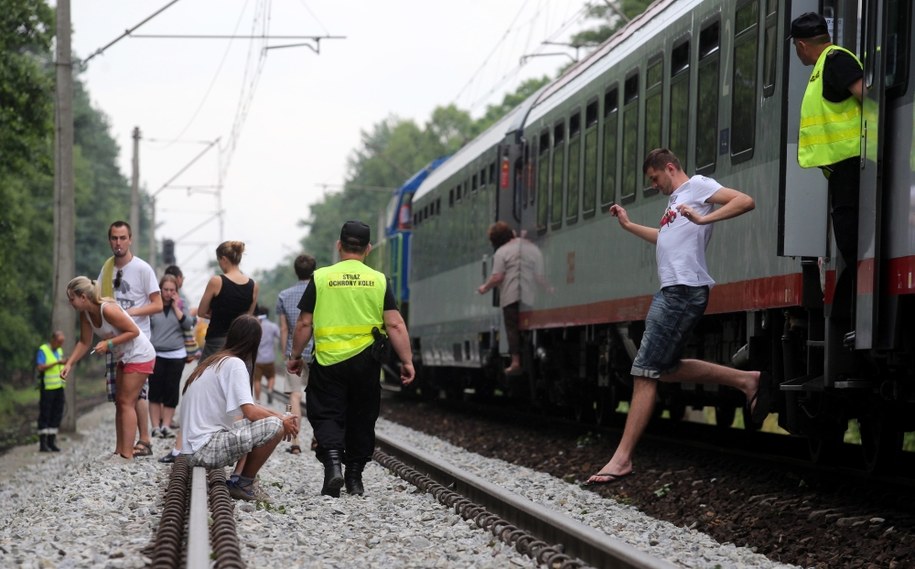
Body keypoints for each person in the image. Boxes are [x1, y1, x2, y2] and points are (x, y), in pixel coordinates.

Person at [585, 149, 769, 485]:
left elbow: (745, 200)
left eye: (655, 179)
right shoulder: (676, 201)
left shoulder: (697, 186)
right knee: (664, 369)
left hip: (683, 290)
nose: (654, 186)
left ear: (669, 168)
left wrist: (704, 219)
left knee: (644, 371)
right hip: (674, 290)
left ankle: (622, 458)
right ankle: (747, 381)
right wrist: (629, 226)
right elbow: (666, 238)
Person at [286, 221, 415, 497]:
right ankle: (354, 477)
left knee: (326, 413)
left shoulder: (321, 278)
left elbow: (304, 323)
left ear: (339, 246)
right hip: (366, 362)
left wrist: (295, 355)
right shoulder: (379, 280)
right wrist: (407, 361)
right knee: (362, 416)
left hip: (329, 361)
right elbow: (394, 324)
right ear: (368, 248)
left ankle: (333, 465)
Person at [791, 12, 863, 326]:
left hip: (853, 166)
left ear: (802, 44)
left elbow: (868, 97)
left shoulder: (835, 60)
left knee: (851, 239)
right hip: (842, 169)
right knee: (848, 239)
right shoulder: (825, 67)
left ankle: (859, 308)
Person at [179, 315, 298, 502]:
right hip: (204, 449)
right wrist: (281, 420)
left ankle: (237, 478)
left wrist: (281, 415)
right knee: (275, 426)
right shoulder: (235, 364)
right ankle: (243, 484)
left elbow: (249, 407)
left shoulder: (217, 360)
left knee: (269, 421)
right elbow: (250, 412)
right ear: (254, 342)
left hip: (194, 447)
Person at [62, 276, 156, 461]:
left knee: (127, 402)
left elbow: (134, 331)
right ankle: (119, 451)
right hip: (123, 356)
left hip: (140, 355)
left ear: (83, 297)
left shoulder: (108, 309)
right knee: (120, 402)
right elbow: (84, 342)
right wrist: (69, 363)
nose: (70, 302)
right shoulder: (86, 315)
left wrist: (108, 343)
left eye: (71, 298)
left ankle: (127, 455)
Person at [98, 220, 162, 458]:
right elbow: (100, 300)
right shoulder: (106, 270)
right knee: (120, 398)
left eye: (122, 238)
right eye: (114, 238)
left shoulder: (143, 269)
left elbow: (157, 304)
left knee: (137, 395)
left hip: (138, 340)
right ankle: (123, 447)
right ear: (110, 241)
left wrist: (129, 314)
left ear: (130, 239)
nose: (118, 242)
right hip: (115, 343)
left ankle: (144, 440)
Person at [477, 221, 549, 375]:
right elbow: (539, 276)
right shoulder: (532, 248)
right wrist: (548, 289)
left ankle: (516, 361)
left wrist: (485, 287)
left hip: (511, 297)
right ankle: (536, 351)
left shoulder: (501, 252)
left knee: (511, 328)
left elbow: (498, 277)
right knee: (531, 327)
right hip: (530, 297)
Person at [276, 253, 317, 454]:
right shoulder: (320, 292)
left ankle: (295, 440)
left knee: (294, 396)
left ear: (295, 271)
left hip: (296, 352)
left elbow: (284, 329)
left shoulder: (284, 295)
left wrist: (287, 353)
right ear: (314, 270)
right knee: (317, 395)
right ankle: (318, 437)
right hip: (318, 351)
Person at [148, 274, 195, 440]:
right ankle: (155, 426)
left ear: (177, 291)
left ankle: (166, 425)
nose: (168, 293)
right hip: (156, 354)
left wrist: (176, 307)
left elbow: (189, 324)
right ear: (160, 289)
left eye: (172, 290)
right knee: (155, 391)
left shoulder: (182, 305)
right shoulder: (153, 304)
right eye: (165, 289)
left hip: (176, 354)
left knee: (171, 390)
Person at [197, 241, 258, 359]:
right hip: (240, 342)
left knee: (205, 374)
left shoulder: (216, 281)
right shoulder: (254, 285)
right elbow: (248, 317)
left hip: (217, 341)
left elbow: (201, 312)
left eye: (219, 261)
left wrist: (215, 314)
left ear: (224, 259)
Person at [36, 331, 68, 452]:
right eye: (59, 342)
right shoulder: (43, 350)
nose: (61, 344)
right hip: (47, 388)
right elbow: (40, 367)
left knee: (57, 413)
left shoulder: (59, 351)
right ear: (53, 340)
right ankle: (43, 444)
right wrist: (57, 362)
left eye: (62, 342)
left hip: (59, 387)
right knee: (45, 414)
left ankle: (51, 441)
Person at [253, 305, 281, 405]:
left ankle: (258, 400)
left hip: (257, 359)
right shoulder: (273, 326)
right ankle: (269, 389)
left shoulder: (255, 325)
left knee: (257, 380)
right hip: (269, 358)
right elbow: (280, 336)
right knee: (271, 377)